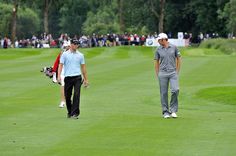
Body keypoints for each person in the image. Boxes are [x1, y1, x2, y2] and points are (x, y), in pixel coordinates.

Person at [57, 39, 89, 119]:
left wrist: (86, 79)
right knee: (67, 96)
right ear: (71, 44)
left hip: (77, 77)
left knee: (77, 94)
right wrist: (59, 76)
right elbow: (60, 65)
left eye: (77, 44)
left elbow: (83, 68)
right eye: (74, 44)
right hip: (68, 77)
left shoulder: (80, 55)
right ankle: (70, 111)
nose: (76, 45)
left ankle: (75, 113)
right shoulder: (64, 54)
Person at [154, 33, 181, 119]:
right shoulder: (158, 49)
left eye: (159, 40)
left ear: (164, 39)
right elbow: (156, 62)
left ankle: (173, 110)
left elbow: (179, 59)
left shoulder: (174, 47)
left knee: (175, 90)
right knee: (164, 93)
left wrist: (177, 71)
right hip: (162, 73)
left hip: (173, 72)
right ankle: (165, 111)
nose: (158, 41)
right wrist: (158, 73)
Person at [52, 41, 70, 108]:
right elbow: (57, 62)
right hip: (62, 72)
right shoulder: (62, 53)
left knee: (69, 87)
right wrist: (54, 71)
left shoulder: (72, 54)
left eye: (67, 46)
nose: (66, 48)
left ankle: (68, 100)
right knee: (62, 86)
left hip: (70, 72)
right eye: (65, 47)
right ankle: (62, 101)